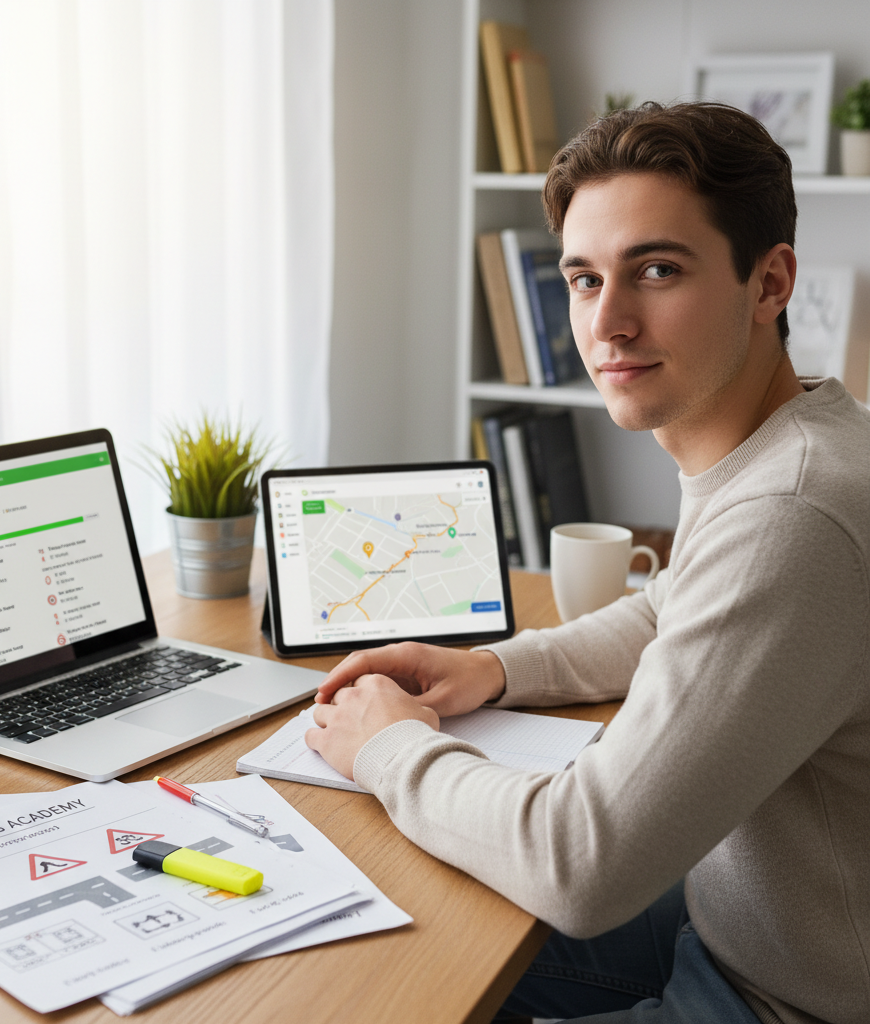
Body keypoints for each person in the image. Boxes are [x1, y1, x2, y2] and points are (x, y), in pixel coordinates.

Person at [306, 102, 870, 1024]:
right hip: (735, 922)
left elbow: (581, 866)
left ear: (771, 282)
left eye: (656, 270)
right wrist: (491, 669)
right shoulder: (794, 437)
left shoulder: (791, 513)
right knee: (398, 927)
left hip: (783, 998)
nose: (607, 323)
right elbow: (673, 608)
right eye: (582, 278)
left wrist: (387, 749)